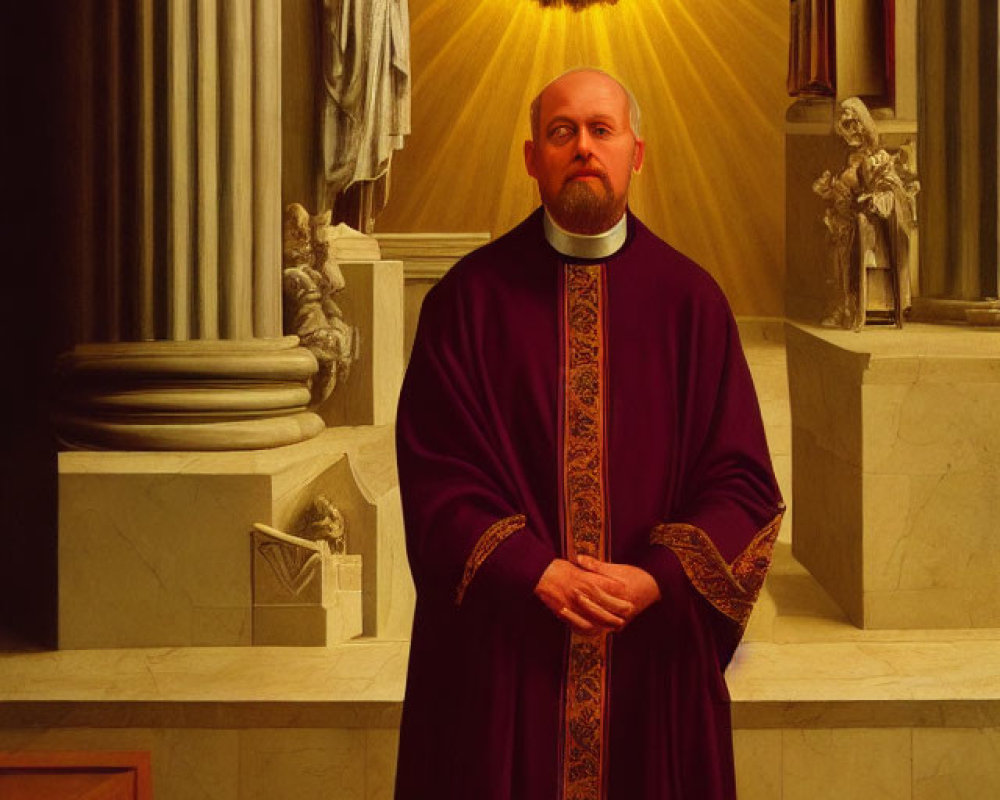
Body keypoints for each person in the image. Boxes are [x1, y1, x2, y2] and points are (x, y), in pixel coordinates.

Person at [393, 67, 784, 800]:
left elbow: (743, 484)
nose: (583, 148)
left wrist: (656, 579)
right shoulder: (466, 303)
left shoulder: (691, 303)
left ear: (636, 153)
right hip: (508, 651)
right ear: (531, 156)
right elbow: (434, 472)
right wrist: (533, 570)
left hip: (649, 655)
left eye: (601, 130)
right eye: (561, 131)